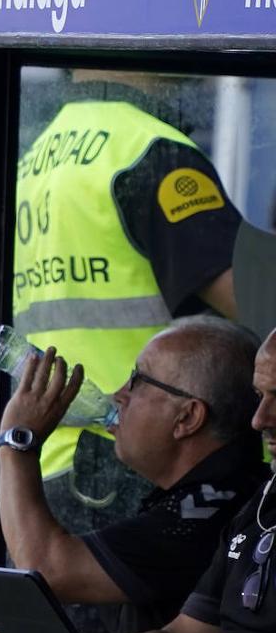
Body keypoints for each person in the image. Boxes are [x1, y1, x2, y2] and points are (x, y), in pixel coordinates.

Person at [14, 73, 243, 546]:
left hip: (55, 460)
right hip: (145, 463)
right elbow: (253, 298)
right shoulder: (148, 149)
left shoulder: (35, 159)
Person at [0, 327, 276, 633]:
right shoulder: (251, 506)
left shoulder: (211, 507)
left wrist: (16, 442)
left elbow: (47, 569)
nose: (119, 394)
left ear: (188, 417)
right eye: (261, 397)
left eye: (137, 380)